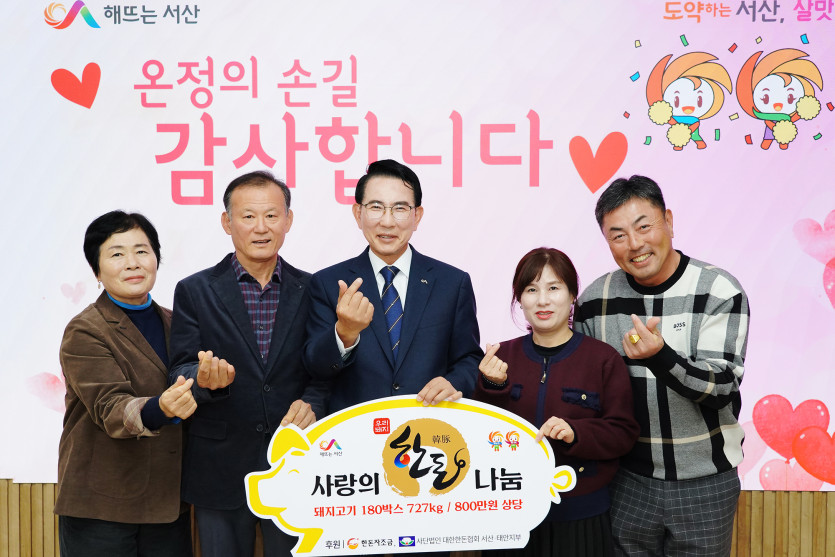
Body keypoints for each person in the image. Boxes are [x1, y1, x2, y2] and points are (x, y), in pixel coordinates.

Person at [574, 175, 749, 556]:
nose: (634, 244)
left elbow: (721, 387)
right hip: (626, 480)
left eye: (644, 227)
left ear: (668, 221)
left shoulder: (718, 290)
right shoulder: (594, 301)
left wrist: (660, 356)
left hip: (705, 480)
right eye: (618, 235)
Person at [168, 171, 327, 557]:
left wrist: (314, 403)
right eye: (248, 216)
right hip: (219, 468)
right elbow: (180, 369)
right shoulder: (195, 290)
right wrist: (202, 379)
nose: (261, 227)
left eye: (271, 216)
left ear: (288, 220)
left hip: (295, 462)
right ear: (227, 222)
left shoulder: (313, 289)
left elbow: (325, 370)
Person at [473, 247, 638, 557]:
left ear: (572, 294)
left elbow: (623, 433)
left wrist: (576, 433)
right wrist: (492, 386)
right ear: (519, 299)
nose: (543, 300)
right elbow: (480, 435)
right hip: (509, 512)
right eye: (531, 290)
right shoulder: (500, 357)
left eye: (553, 288)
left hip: (581, 515)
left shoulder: (603, 358)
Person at [56, 211, 196, 557]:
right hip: (103, 507)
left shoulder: (177, 323)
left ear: (156, 259)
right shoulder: (85, 329)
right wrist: (160, 408)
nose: (132, 263)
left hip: (167, 504)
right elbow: (110, 407)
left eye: (142, 251)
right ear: (97, 271)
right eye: (117, 254)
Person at [303, 159, 482, 414]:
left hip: (428, 425)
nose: (387, 222)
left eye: (400, 208)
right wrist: (344, 333)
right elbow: (315, 368)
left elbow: (469, 359)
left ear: (417, 216)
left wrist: (454, 382)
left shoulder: (452, 283)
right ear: (358, 214)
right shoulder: (327, 283)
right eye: (376, 207)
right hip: (355, 429)